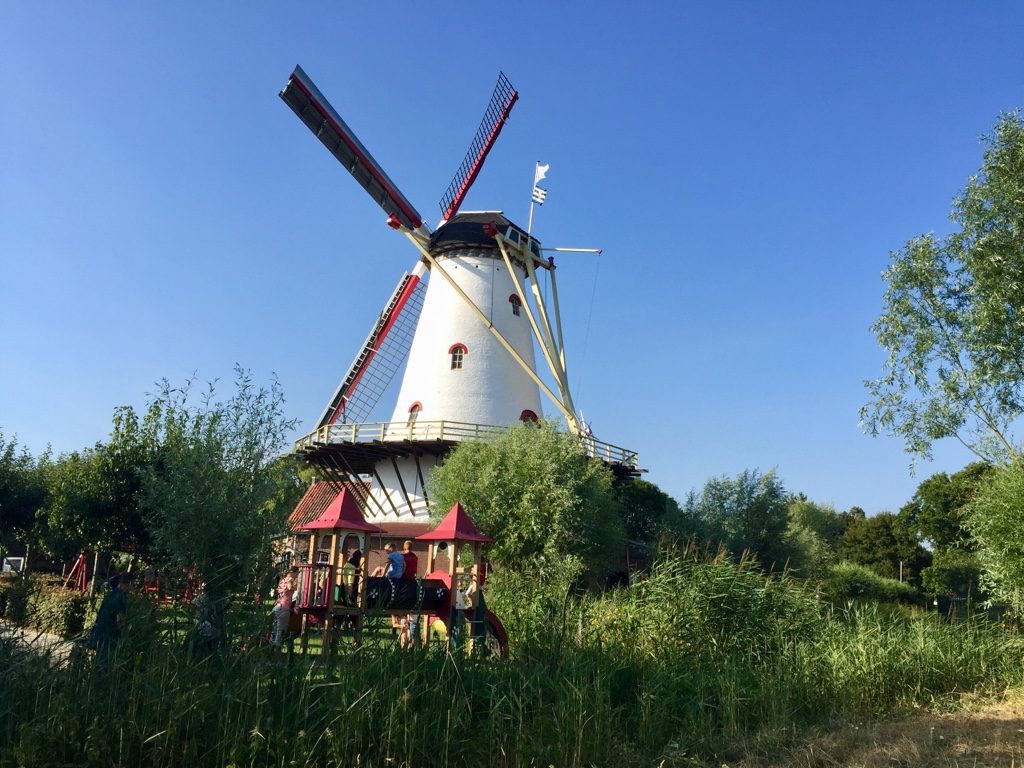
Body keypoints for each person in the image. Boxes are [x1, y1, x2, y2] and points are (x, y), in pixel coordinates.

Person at [87, 571, 133, 655]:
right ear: (129, 583)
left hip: (98, 634)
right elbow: (120, 620)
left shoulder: (111, 594)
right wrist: (125, 637)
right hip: (108, 638)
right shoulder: (121, 597)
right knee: (105, 663)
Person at [270, 566, 299, 650]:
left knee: (275, 629)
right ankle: (277, 649)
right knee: (281, 629)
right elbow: (290, 587)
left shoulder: (283, 580)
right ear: (293, 572)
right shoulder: (290, 579)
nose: (297, 575)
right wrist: (297, 587)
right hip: (284, 607)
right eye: (297, 573)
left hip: (277, 606)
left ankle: (271, 646)